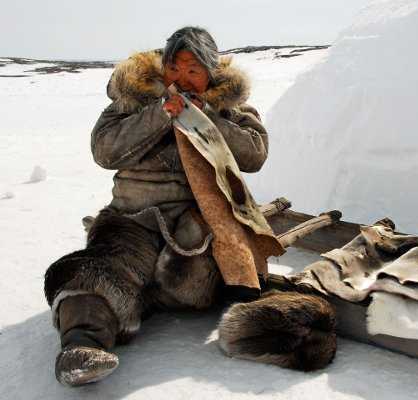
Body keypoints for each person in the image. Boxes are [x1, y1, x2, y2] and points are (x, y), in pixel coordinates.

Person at [44, 26, 336, 387]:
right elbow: (105, 151)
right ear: (163, 67)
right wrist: (158, 115)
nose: (181, 79)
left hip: (197, 225)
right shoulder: (134, 97)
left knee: (198, 280)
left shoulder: (230, 106)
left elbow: (254, 153)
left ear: (210, 74)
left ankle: (147, 294)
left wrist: (207, 119)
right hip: (131, 221)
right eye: (174, 69)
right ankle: (81, 348)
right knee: (95, 272)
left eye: (193, 71)